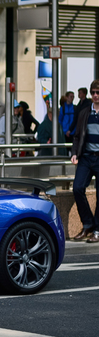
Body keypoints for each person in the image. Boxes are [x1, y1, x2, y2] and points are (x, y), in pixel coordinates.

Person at [71, 80, 99, 242]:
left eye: (98, 92)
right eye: (93, 92)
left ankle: (97, 230)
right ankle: (87, 224)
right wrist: (75, 153)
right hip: (86, 157)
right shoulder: (84, 112)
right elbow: (77, 136)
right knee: (77, 188)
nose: (95, 95)